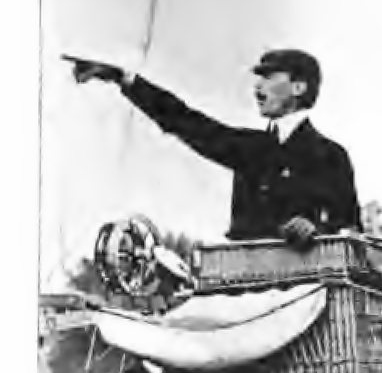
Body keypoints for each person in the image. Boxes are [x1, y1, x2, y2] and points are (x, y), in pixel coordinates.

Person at [68, 49, 362, 248]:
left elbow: (352, 232)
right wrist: (124, 78)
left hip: (306, 294)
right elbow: (185, 121)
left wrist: (317, 232)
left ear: (299, 88)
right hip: (244, 291)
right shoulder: (250, 148)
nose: (257, 87)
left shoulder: (331, 156)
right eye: (258, 78)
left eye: (269, 77)